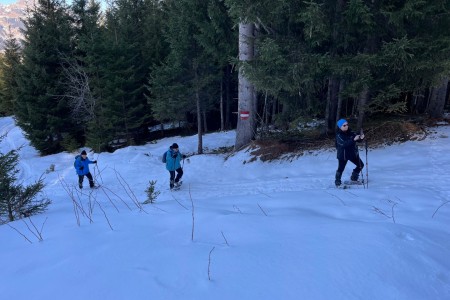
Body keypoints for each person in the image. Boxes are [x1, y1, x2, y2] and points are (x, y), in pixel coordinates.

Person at [335, 119, 365, 186]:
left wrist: (361, 138)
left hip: (352, 153)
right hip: (343, 155)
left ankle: (354, 178)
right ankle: (337, 182)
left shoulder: (351, 132)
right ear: (340, 127)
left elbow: (357, 140)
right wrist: (353, 139)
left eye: (347, 124)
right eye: (344, 125)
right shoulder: (339, 135)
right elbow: (344, 144)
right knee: (340, 169)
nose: (346, 126)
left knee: (361, 165)